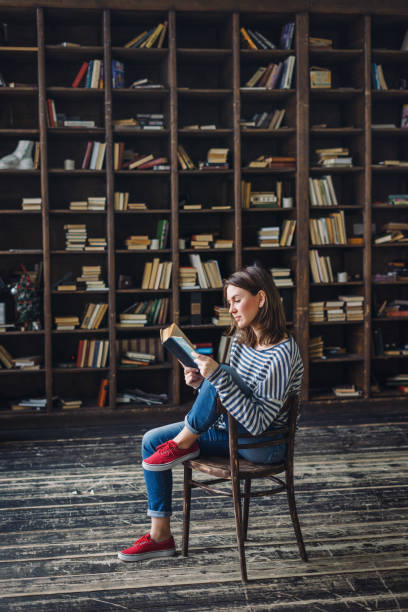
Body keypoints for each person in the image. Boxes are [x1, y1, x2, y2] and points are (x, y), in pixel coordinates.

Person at [117, 264, 303, 562]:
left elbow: (257, 423)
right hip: (232, 431)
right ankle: (160, 538)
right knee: (151, 441)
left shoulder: (283, 353)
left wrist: (218, 377)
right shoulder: (243, 343)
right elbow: (232, 396)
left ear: (262, 298)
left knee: (222, 372)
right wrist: (203, 383)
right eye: (229, 302)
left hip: (262, 446)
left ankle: (181, 444)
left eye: (237, 300)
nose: (231, 309)